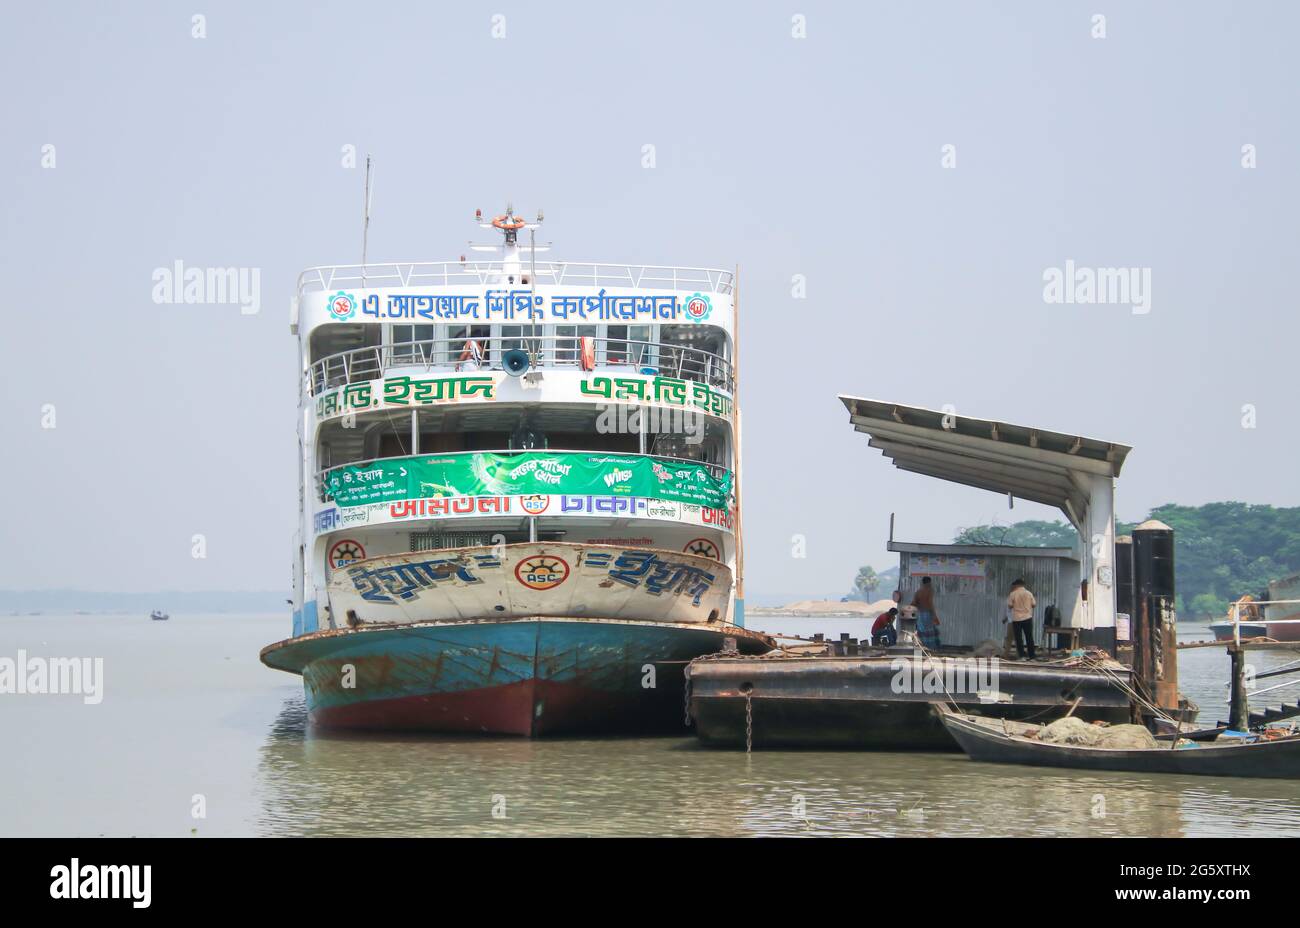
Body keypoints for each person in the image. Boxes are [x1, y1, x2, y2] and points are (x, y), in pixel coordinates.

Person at [1007, 578, 1037, 660]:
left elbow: (1009, 605)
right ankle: (1032, 656)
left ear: (1017, 585)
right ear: (1023, 585)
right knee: (1029, 637)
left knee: (1019, 638)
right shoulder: (1029, 593)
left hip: (1017, 619)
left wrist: (1016, 604)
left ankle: (1022, 656)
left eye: (1014, 585)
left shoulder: (1012, 594)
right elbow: (1034, 604)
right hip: (1027, 618)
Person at [912, 577, 940, 649]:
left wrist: (910, 609)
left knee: (921, 632)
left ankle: (921, 648)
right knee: (929, 633)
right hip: (927, 614)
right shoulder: (930, 590)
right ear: (928, 583)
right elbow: (930, 603)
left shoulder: (918, 592)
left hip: (920, 614)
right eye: (930, 583)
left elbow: (914, 603)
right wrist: (934, 616)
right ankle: (930, 649)